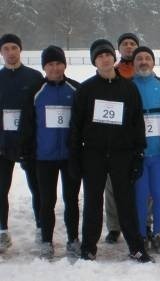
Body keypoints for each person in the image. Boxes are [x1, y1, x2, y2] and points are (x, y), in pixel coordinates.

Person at [69, 39, 152, 263]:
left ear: (113, 57)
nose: (105, 59)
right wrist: (75, 158)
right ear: (94, 61)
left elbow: (137, 124)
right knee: (93, 203)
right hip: (93, 154)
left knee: (126, 202)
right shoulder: (86, 89)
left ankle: (135, 247)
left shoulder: (128, 87)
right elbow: (75, 126)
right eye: (99, 56)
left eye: (107, 55)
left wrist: (138, 155)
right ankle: (88, 247)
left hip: (122, 154)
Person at [19, 45, 81, 259]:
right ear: (44, 67)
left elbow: (82, 125)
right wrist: (27, 154)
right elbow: (26, 126)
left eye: (58, 63)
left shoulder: (76, 90)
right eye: (50, 64)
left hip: (69, 157)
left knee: (71, 200)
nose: (55, 68)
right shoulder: (35, 92)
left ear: (65, 64)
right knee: (46, 201)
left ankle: (73, 240)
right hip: (43, 158)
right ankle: (46, 241)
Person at [0, 33, 44, 253]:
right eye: (6, 48)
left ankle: (40, 227)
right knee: (1, 190)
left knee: (37, 189)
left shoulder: (35, 77)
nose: (10, 52)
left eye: (14, 48)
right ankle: (2, 232)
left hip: (29, 144)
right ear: (1, 52)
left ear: (20, 50)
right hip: (3, 144)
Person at [131, 46, 160, 254]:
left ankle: (157, 233)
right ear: (133, 63)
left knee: (158, 194)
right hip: (137, 155)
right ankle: (141, 234)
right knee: (140, 195)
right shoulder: (127, 86)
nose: (144, 62)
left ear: (153, 62)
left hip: (159, 154)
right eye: (139, 59)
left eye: (147, 58)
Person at [104, 32, 141, 244]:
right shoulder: (113, 72)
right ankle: (114, 226)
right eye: (125, 44)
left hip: (136, 134)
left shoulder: (144, 71)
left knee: (140, 183)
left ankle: (142, 221)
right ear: (119, 49)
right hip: (115, 137)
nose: (129, 46)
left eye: (132, 43)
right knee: (111, 186)